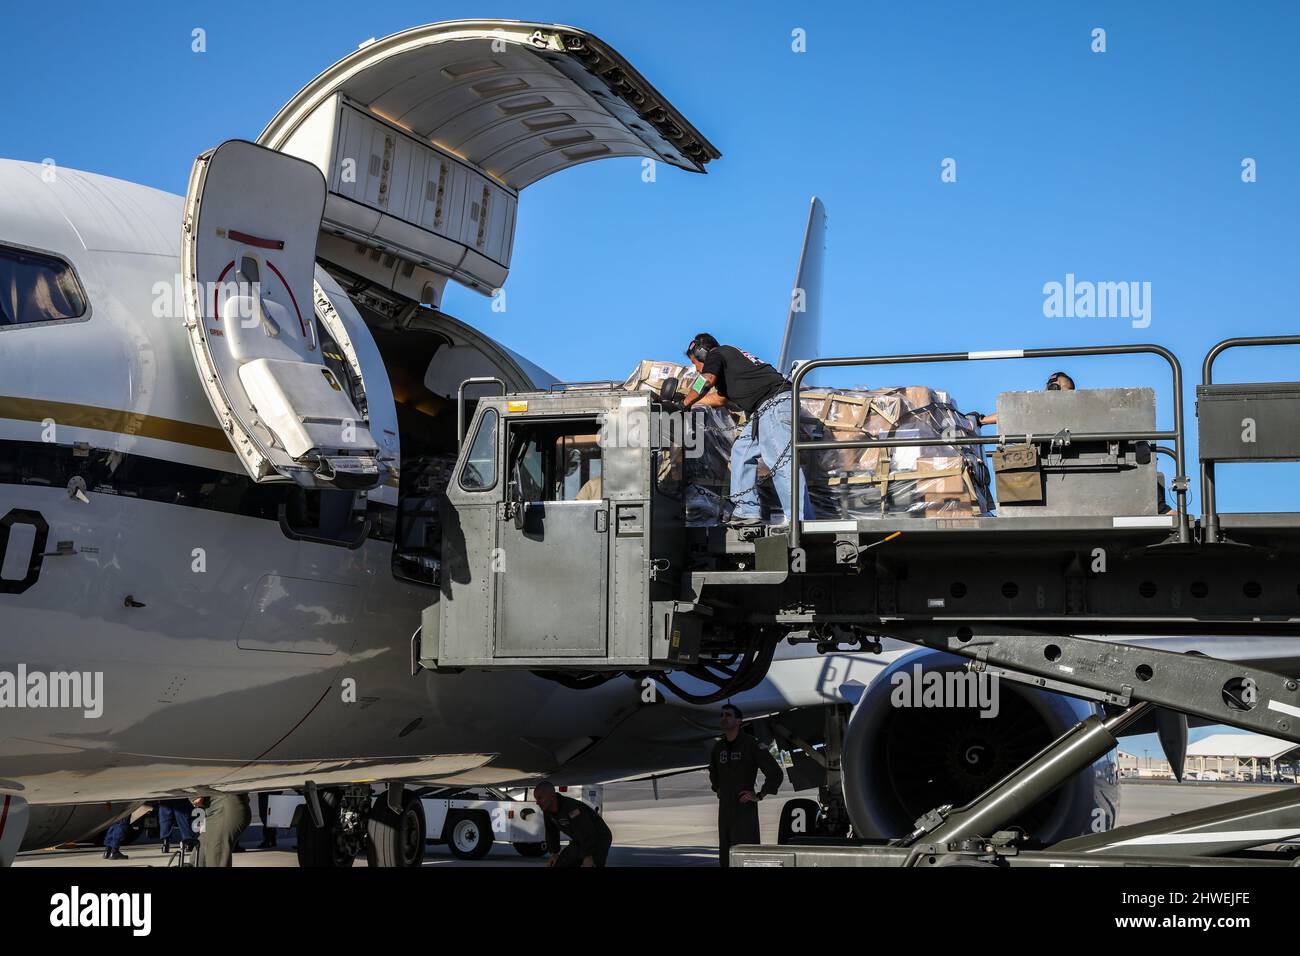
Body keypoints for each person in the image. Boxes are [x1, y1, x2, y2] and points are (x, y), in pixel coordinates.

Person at [681, 333, 812, 527]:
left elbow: (706, 379)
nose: (696, 368)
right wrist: (689, 403)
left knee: (779, 459)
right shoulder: (729, 361)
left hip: (774, 404)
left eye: (695, 363)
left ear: (702, 353)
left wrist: (683, 402)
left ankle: (800, 520)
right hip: (763, 410)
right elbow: (720, 399)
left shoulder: (717, 354)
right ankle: (746, 511)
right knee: (741, 452)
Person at [709, 703, 783, 867]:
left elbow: (775, 773)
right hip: (725, 809)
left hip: (744, 811)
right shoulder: (718, 747)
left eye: (728, 715)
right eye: (722, 715)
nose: (723, 718)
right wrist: (718, 789)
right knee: (726, 855)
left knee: (746, 855)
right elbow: (713, 771)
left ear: (739, 721)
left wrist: (759, 795)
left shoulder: (751, 745)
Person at [534, 780, 613, 867]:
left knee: (591, 865)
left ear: (551, 796)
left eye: (540, 798)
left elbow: (587, 831)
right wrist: (554, 854)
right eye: (536, 799)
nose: (537, 802)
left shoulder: (571, 807)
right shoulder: (547, 810)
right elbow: (551, 833)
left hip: (598, 837)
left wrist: (588, 856)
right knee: (560, 863)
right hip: (580, 839)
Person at [976, 371, 1075, 426]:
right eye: (1048, 387)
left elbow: (1067, 395)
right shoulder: (1038, 408)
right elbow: (1010, 414)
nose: (1048, 390)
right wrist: (981, 420)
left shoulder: (1074, 408)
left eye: (1053, 387)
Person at [192, 793, 252, 867]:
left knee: (215, 858)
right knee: (197, 858)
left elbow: (198, 800)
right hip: (219, 810)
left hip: (222, 810)